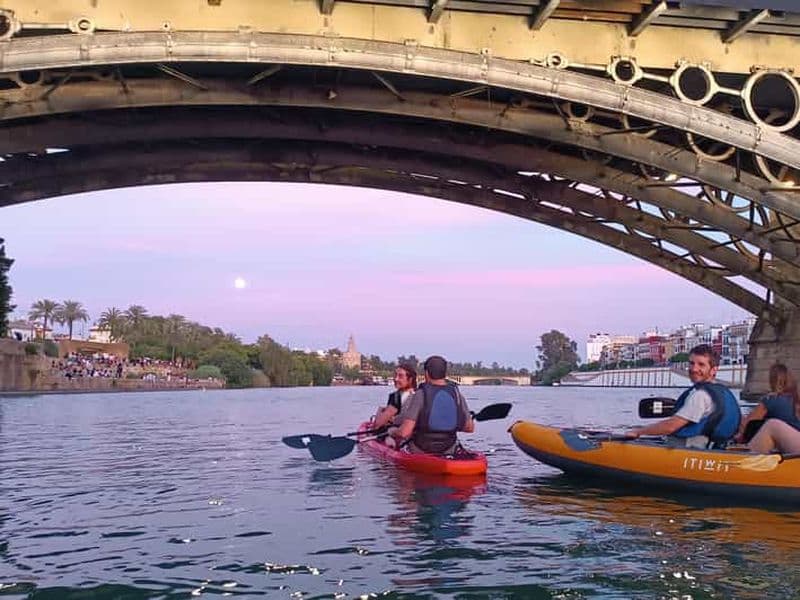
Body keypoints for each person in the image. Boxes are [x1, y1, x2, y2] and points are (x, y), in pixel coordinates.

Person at [626, 344, 740, 449]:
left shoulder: (700, 395)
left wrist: (639, 431)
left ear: (713, 370)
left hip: (693, 449)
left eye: (701, 364)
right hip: (717, 447)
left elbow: (671, 426)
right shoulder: (725, 392)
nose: (694, 369)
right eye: (691, 363)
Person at [389, 355, 474, 455]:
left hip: (421, 448)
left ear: (426, 373)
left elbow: (405, 432)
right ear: (445, 373)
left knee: (394, 433)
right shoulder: (457, 395)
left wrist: (393, 432)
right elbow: (469, 428)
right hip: (449, 448)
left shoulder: (420, 394)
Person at [735, 363, 799, 443]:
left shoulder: (771, 400)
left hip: (783, 446)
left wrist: (738, 417)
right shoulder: (795, 399)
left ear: (773, 381)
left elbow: (747, 423)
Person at [371, 363, 417, 430]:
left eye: (400, 376)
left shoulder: (395, 397)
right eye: (395, 375)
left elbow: (378, 424)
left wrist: (380, 410)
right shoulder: (420, 394)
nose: (396, 379)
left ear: (410, 379)